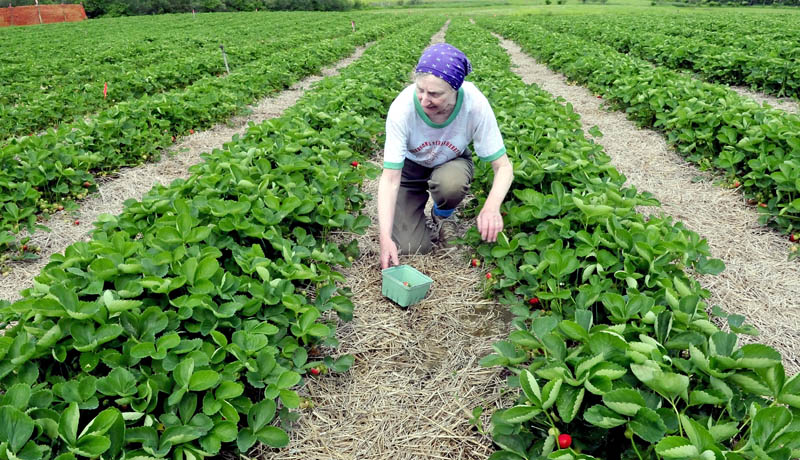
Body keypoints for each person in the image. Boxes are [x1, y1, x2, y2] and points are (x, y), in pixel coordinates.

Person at [378, 43, 514, 270]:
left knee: (450, 183)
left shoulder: (474, 104)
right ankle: (413, 215)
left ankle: (442, 214)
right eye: (420, 90)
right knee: (411, 247)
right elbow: (390, 179)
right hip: (410, 169)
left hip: (451, 161)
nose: (424, 100)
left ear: (456, 89)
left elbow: (504, 167)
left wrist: (491, 207)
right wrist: (384, 238)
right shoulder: (402, 109)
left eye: (434, 94)